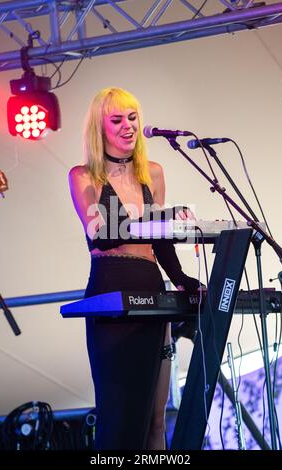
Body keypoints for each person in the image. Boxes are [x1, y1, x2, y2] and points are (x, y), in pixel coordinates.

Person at [68, 87, 199, 450]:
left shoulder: (152, 173)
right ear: (100, 128)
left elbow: (160, 243)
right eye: (116, 120)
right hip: (112, 286)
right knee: (120, 417)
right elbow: (101, 235)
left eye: (132, 118)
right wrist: (158, 217)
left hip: (151, 285)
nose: (127, 126)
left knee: (156, 420)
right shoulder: (83, 176)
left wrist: (184, 281)